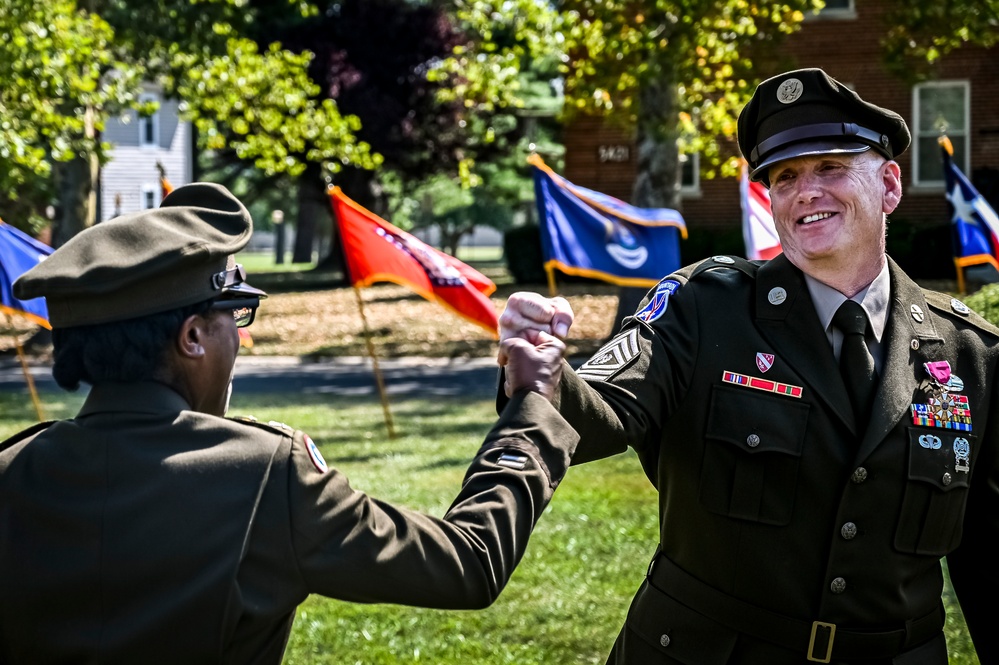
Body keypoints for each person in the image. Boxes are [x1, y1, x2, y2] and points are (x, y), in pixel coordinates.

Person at [498, 67, 999, 664]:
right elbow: (602, 412)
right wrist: (543, 377)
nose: (805, 191)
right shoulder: (704, 308)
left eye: (830, 167)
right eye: (785, 177)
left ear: (890, 185)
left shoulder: (970, 353)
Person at [0, 183, 577, 664]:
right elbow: (467, 564)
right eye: (235, 314)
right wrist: (532, 403)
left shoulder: (12, 471)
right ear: (192, 337)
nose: (242, 339)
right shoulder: (263, 475)